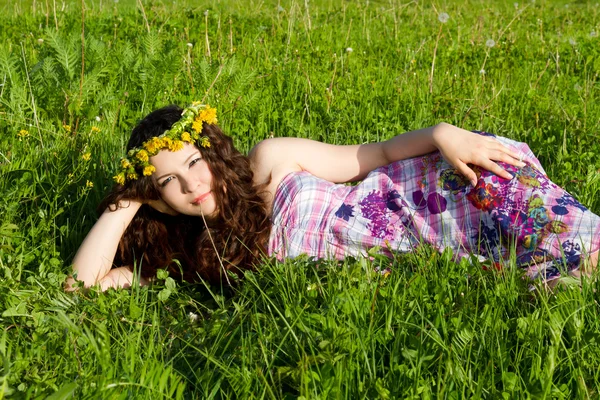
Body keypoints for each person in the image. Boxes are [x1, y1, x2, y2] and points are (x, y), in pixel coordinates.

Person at [66, 103, 600, 291]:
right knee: (541, 280)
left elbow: (374, 155)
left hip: (421, 196)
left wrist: (442, 132)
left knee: (562, 232)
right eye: (167, 184)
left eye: (192, 163)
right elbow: (80, 286)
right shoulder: (189, 262)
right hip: (411, 255)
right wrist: (127, 199)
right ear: (156, 200)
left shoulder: (269, 161)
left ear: (210, 151)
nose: (191, 185)